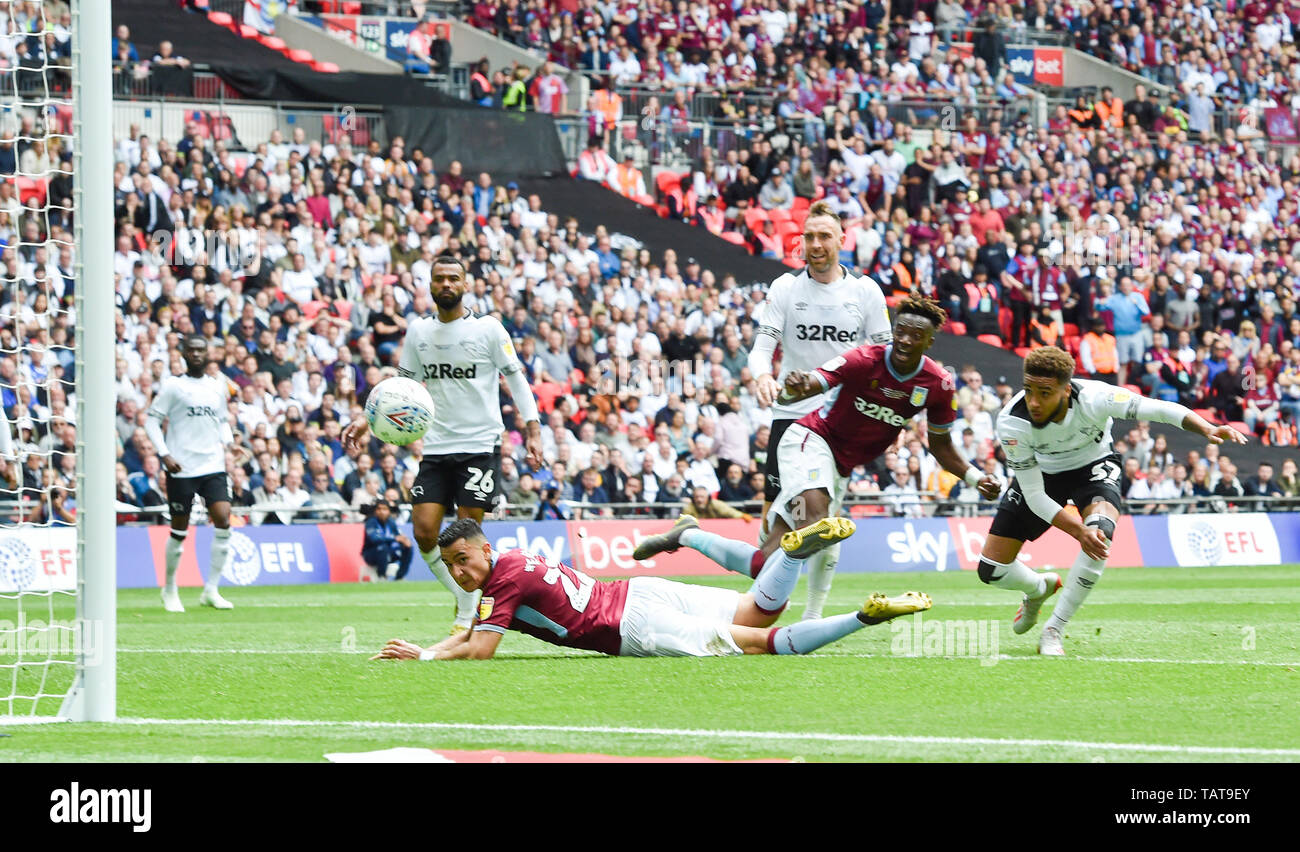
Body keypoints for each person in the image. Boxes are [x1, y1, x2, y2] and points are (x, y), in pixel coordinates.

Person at [637, 298, 1001, 614]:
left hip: (840, 468)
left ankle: (688, 536)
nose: (905, 339)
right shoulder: (864, 359)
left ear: (930, 341)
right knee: (820, 520)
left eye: (915, 335)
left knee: (765, 561)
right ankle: (810, 616)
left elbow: (940, 444)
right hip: (809, 440)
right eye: (900, 330)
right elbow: (816, 380)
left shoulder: (937, 384)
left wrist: (973, 477)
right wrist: (796, 388)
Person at [977, 348, 1248, 656]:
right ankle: (1038, 589)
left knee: (1101, 534)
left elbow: (1158, 409)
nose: (1034, 402)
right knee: (991, 569)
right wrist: (1078, 531)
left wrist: (1207, 428)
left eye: (1045, 393)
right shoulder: (1012, 422)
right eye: (1028, 391)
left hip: (1093, 467)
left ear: (1067, 390)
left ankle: (1054, 628)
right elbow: (1036, 495)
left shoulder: (1096, 397)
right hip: (1044, 476)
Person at [370, 519, 932, 661]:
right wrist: (430, 649)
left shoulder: (501, 580)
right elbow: (471, 631)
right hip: (637, 592)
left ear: (484, 551)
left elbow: (480, 648)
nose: (461, 573)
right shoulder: (515, 561)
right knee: (757, 608)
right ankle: (788, 553)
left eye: (463, 560)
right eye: (450, 566)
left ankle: (864, 617)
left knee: (759, 642)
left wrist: (425, 656)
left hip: (632, 626)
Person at [343, 254, 544, 634]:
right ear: (431, 286)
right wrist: (366, 419)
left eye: (454, 278)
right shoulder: (419, 332)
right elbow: (400, 388)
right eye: (440, 279)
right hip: (435, 447)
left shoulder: (488, 330)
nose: (447, 285)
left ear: (465, 284)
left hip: (479, 443)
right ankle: (467, 599)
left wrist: (532, 428)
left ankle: (469, 614)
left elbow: (516, 379)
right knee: (424, 531)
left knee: (467, 534)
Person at [744, 199, 892, 620]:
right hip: (789, 415)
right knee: (773, 524)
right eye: (809, 237)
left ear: (842, 240)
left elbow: (883, 357)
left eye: (824, 236)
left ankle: (811, 615)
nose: (815, 244)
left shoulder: (864, 292)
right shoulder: (785, 288)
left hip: (838, 422)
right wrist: (761, 376)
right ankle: (760, 601)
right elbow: (762, 347)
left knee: (823, 514)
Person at [145, 336, 250, 612]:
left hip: (213, 465)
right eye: (191, 350)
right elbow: (151, 420)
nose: (196, 354)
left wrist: (230, 443)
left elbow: (222, 421)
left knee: (224, 520)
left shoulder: (217, 387)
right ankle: (169, 589)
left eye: (200, 350)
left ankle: (211, 590)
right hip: (181, 467)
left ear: (208, 354)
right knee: (179, 530)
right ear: (183, 354)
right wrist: (164, 453)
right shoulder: (173, 386)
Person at [361, 500, 413, 581]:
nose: (381, 512)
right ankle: (381, 576)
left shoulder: (391, 523)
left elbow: (398, 536)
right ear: (375, 511)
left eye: (384, 509)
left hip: (388, 552)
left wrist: (405, 540)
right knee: (382, 547)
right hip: (371, 554)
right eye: (379, 509)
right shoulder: (371, 522)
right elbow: (375, 539)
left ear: (389, 511)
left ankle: (399, 577)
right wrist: (394, 539)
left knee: (408, 547)